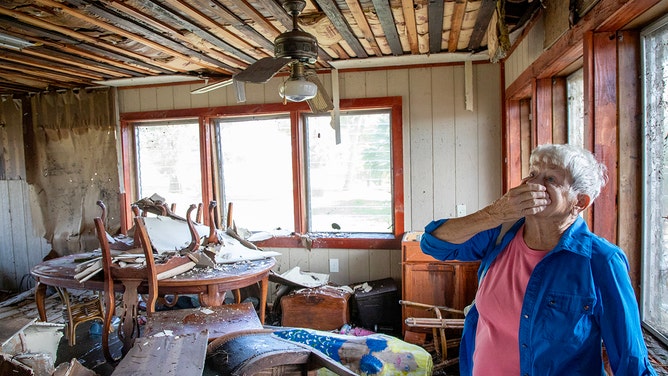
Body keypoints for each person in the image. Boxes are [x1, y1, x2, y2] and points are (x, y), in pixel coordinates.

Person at [420, 144, 657, 375]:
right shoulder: (501, 234)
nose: (533, 183)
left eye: (551, 179)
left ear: (580, 202)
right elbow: (434, 244)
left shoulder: (602, 261)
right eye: (532, 174)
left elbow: (631, 360)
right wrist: (496, 213)